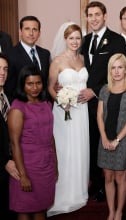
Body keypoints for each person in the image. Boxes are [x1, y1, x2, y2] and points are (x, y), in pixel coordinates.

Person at [80, 1, 126, 202]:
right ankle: (95, 183)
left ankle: (104, 185)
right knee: (89, 143)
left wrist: (96, 91)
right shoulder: (84, 40)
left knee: (104, 142)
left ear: (105, 16)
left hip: (106, 101)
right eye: (90, 15)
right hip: (83, 104)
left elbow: (118, 73)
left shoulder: (116, 40)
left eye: (97, 14)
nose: (94, 18)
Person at [47, 22, 90, 216]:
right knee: (65, 151)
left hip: (82, 111)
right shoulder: (57, 61)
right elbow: (50, 86)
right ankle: (63, 194)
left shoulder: (83, 58)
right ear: (65, 39)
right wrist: (61, 101)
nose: (75, 41)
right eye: (71, 38)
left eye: (77, 38)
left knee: (80, 149)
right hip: (64, 111)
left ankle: (79, 191)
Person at [8, 65, 57, 220]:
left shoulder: (46, 103)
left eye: (38, 83)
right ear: (23, 84)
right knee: (25, 208)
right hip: (28, 165)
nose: (35, 87)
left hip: (46, 165)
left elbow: (51, 136)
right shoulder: (18, 107)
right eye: (30, 84)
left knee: (41, 206)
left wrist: (55, 164)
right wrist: (22, 175)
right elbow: (14, 143)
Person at [97, 53, 126, 220]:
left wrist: (117, 140)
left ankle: (119, 211)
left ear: (125, 69)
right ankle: (111, 211)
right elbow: (100, 116)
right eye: (113, 68)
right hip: (105, 140)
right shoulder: (104, 90)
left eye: (120, 67)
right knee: (108, 177)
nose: (116, 71)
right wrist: (104, 138)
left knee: (120, 177)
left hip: (121, 141)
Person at [5, 16, 50, 103]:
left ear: (39, 33)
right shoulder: (10, 55)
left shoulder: (45, 54)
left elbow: (46, 83)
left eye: (34, 29)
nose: (31, 33)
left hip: (43, 107)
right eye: (27, 29)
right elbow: (9, 88)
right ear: (20, 32)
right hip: (21, 108)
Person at [0, 53, 18, 219]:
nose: (2, 73)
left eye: (5, 69)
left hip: (13, 166)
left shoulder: (9, 99)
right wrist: (4, 162)